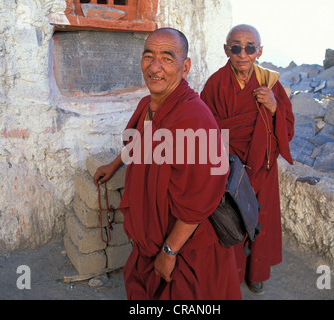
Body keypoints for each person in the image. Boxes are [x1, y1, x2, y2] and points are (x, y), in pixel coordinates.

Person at [93, 27, 242, 300]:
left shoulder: (194, 118)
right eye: (148, 56)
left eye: (167, 58)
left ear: (185, 67)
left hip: (187, 247)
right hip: (151, 238)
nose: (155, 67)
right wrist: (115, 164)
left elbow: (200, 200)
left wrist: (169, 252)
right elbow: (139, 142)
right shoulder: (148, 106)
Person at [200, 24, 295, 295]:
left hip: (262, 166)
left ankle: (256, 273)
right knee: (232, 218)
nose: (243, 53)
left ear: (259, 51)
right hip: (230, 167)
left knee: (260, 218)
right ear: (226, 50)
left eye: (250, 47)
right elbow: (205, 125)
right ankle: (234, 273)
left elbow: (288, 126)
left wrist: (274, 107)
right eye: (236, 47)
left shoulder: (270, 83)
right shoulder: (215, 83)